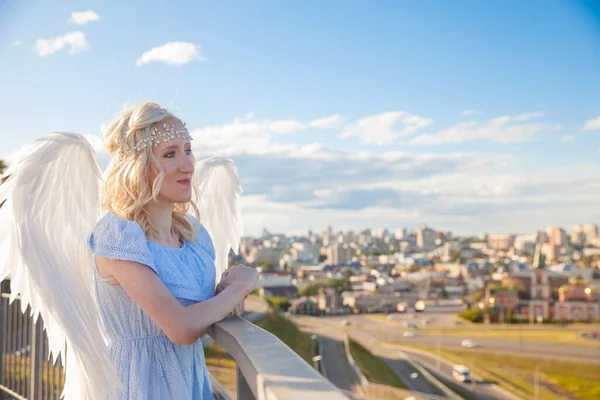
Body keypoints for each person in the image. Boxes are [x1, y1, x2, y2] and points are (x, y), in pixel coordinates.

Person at [0, 102, 256, 399]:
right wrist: (242, 285)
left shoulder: (193, 236)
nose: (187, 165)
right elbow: (181, 327)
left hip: (191, 385)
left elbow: (199, 309)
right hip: (139, 387)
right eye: (170, 154)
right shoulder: (118, 235)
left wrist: (224, 289)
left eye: (188, 149)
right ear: (139, 165)